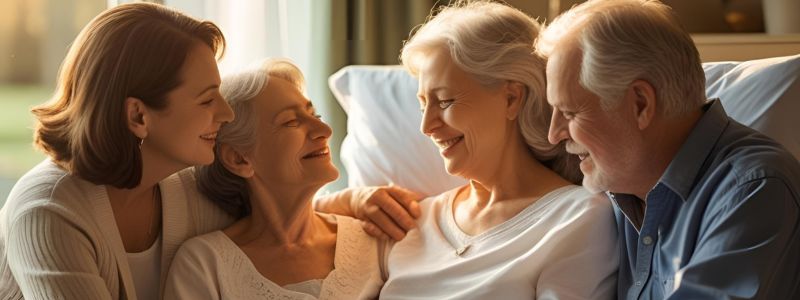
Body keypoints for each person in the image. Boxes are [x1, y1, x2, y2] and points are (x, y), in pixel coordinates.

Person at [0, 3, 412, 299]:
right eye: (206, 99)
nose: (226, 112)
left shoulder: (184, 185)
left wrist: (352, 200)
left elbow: (274, 204)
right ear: (139, 117)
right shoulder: (49, 211)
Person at [536, 0, 800, 299]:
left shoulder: (754, 191)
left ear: (640, 104)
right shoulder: (624, 183)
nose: (554, 134)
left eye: (569, 113)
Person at [376, 1, 618, 298]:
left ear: (511, 99)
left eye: (445, 101)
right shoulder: (411, 218)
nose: (427, 126)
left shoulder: (577, 217)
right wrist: (345, 202)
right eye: (423, 105)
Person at [164, 59, 385, 299]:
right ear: (239, 159)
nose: (325, 131)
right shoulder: (205, 265)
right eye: (291, 122)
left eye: (315, 114)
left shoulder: (375, 240)